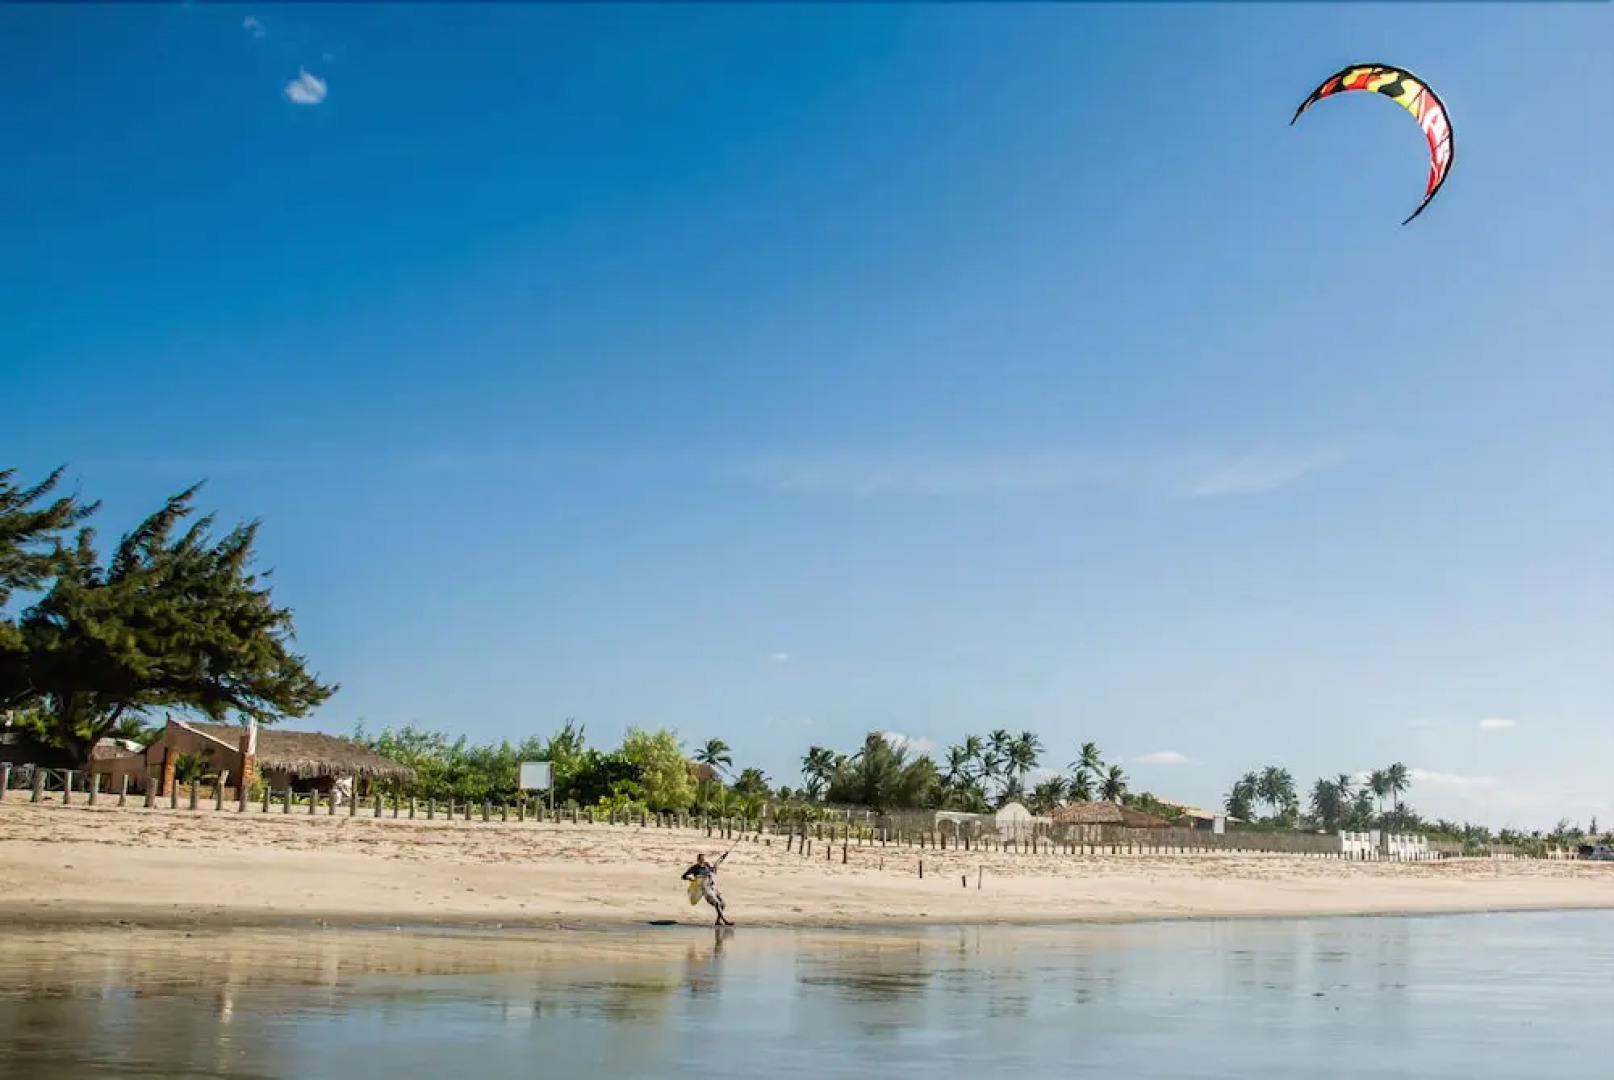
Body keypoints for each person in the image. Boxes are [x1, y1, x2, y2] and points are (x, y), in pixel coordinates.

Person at [681, 851, 733, 926]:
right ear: (698, 860)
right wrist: (690, 879)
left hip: (713, 887)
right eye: (701, 859)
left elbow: (714, 871)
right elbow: (683, 876)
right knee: (717, 903)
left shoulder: (707, 865)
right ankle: (725, 921)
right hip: (705, 890)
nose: (702, 861)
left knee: (723, 904)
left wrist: (716, 865)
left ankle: (718, 921)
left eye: (703, 859)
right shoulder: (694, 868)